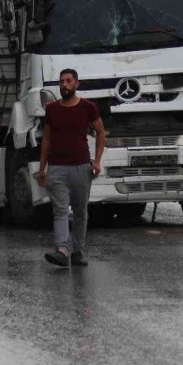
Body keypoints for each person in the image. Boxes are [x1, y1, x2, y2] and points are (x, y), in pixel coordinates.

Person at [37, 69, 106, 267]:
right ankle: (62, 250)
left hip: (81, 167)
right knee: (60, 210)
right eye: (61, 82)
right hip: (57, 168)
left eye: (68, 81)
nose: (64, 85)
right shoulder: (52, 109)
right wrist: (42, 169)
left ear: (76, 84)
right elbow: (47, 139)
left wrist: (97, 161)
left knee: (80, 211)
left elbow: (100, 132)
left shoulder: (88, 107)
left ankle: (78, 250)